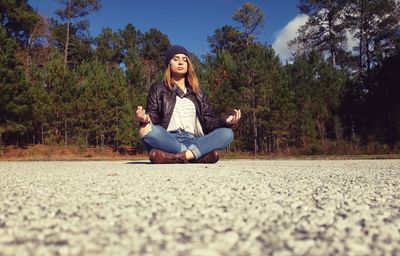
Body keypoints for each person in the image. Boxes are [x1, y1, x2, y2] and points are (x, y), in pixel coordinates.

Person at [135, 45, 241, 164]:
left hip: (194, 140)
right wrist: (145, 119)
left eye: (184, 59)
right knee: (145, 130)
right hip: (167, 140)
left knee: (227, 133)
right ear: (168, 64)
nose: (181, 62)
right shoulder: (158, 89)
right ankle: (195, 155)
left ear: (188, 64)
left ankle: (175, 157)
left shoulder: (198, 93)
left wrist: (225, 121)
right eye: (176, 59)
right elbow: (153, 117)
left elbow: (209, 122)